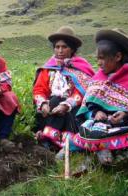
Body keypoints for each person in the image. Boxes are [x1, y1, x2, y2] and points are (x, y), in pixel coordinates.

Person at [71, 28, 128, 165]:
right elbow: (89, 103)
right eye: (97, 59)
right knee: (92, 124)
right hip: (103, 123)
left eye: (102, 58)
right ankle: (103, 147)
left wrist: (125, 114)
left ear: (118, 57)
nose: (99, 63)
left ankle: (102, 145)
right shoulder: (99, 77)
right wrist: (97, 112)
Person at [33, 26, 94, 158]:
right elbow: (39, 90)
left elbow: (82, 92)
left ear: (72, 49)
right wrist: (43, 104)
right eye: (57, 47)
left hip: (73, 109)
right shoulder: (48, 68)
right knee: (54, 101)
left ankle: (53, 142)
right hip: (51, 108)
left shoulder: (81, 67)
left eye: (64, 47)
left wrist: (66, 105)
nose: (60, 50)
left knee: (63, 107)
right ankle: (52, 143)